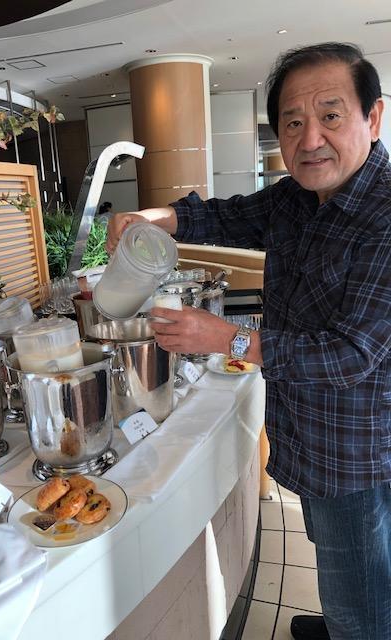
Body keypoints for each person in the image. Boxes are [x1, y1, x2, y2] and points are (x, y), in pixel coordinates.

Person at [107, 42, 391, 640]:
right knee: (348, 565)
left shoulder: (384, 217)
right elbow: (227, 216)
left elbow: (351, 355)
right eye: (293, 122)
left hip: (358, 451)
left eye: (330, 115)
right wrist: (158, 218)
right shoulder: (296, 198)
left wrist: (228, 338)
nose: (310, 138)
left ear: (373, 118)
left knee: (361, 589)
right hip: (314, 435)